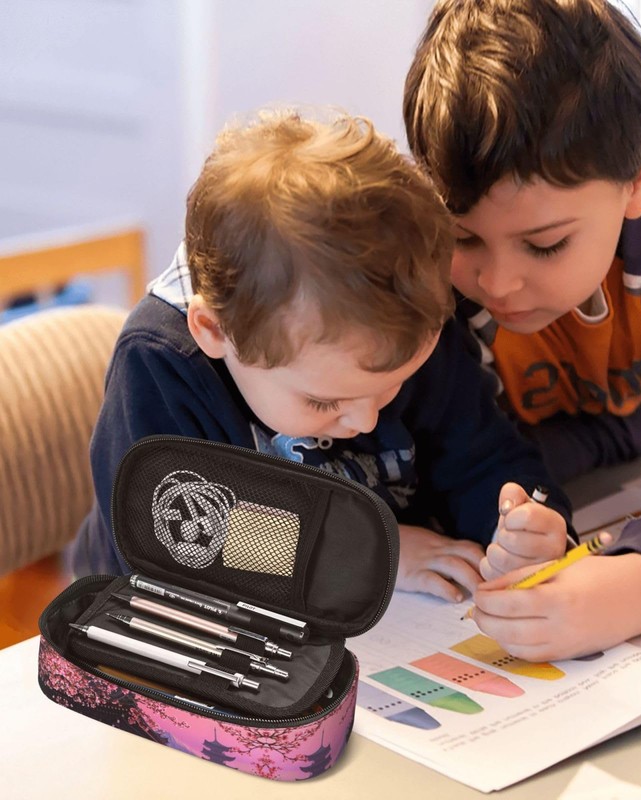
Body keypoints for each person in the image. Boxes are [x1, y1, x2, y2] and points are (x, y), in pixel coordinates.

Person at [68, 108, 574, 603]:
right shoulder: (162, 365)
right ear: (215, 332)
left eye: (392, 386)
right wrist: (376, 553)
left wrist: (521, 527)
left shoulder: (403, 322)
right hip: (146, 618)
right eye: (323, 403)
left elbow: (480, 456)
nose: (366, 417)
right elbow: (172, 532)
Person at [403, 0, 641, 659]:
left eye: (544, 245)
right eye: (463, 236)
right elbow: (444, 462)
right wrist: (517, 522)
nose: (497, 283)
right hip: (552, 479)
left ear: (638, 181)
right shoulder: (420, 263)